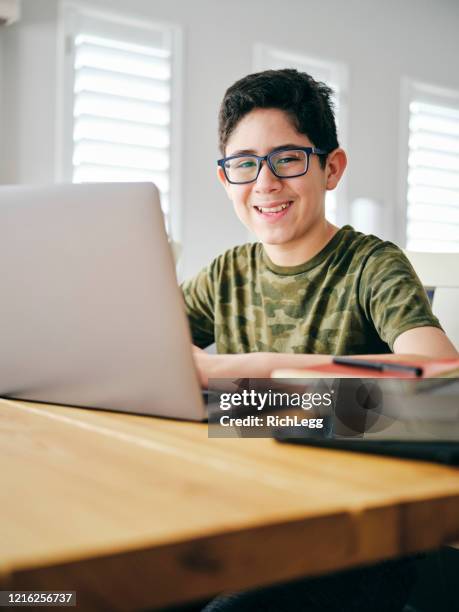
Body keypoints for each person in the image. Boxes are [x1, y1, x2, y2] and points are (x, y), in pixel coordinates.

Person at [181, 69, 458, 387]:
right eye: (244, 163)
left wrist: (258, 367)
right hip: (241, 435)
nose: (265, 183)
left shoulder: (371, 266)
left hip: (340, 433)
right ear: (226, 181)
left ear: (332, 169)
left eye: (287, 159)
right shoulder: (225, 275)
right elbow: (137, 339)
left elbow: (439, 365)